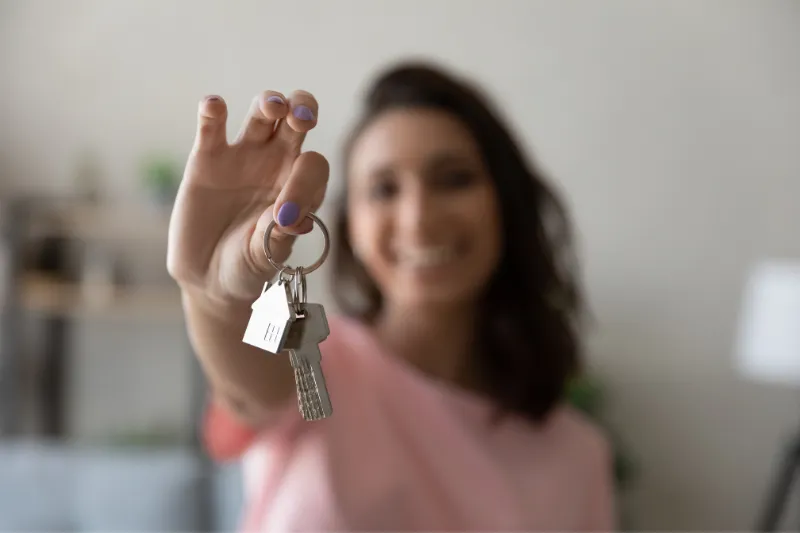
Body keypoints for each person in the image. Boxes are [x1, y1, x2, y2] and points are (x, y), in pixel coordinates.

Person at [167, 61, 616, 531]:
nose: (418, 218)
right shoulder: (312, 359)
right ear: (352, 228)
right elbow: (246, 391)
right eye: (384, 189)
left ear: (505, 203)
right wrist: (212, 295)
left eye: (453, 179)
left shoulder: (579, 457)